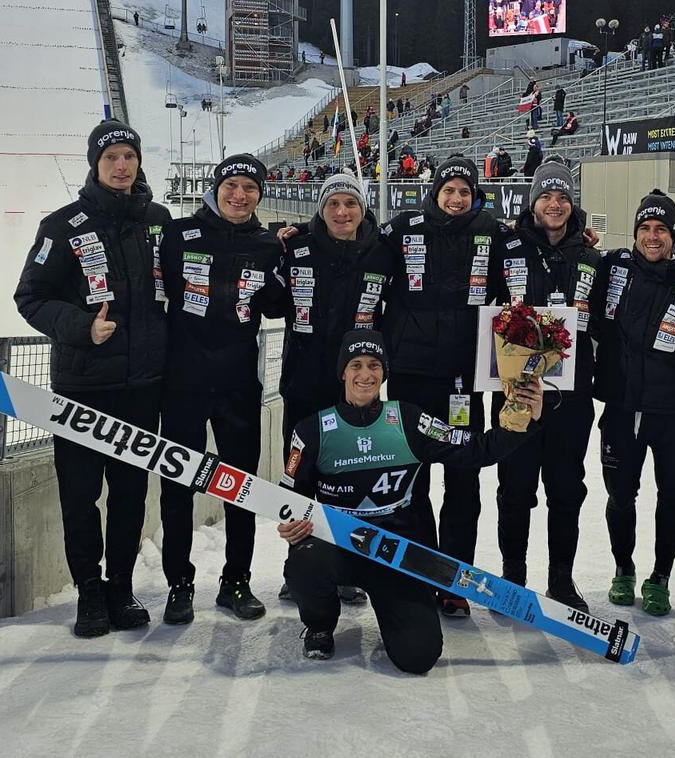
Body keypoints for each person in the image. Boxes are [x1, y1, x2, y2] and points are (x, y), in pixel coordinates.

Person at [280, 332, 544, 669]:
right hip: (339, 547)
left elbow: (474, 449)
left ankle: (396, 611)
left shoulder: (407, 420)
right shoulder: (313, 429)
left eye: (374, 366)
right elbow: (290, 494)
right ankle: (319, 624)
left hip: (397, 554)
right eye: (356, 365)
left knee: (419, 656)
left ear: (384, 372)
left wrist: (526, 419)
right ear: (343, 373)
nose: (365, 374)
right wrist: (290, 522)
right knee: (303, 562)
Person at [14, 120, 169, 638]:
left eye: (129, 156)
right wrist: (82, 327)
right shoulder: (63, 226)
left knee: (130, 494)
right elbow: (30, 298)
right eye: (111, 158)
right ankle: (89, 591)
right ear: (95, 164)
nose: (122, 166)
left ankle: (120, 587)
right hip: (83, 389)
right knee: (80, 497)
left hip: (141, 388)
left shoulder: (158, 220)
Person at [371, 156, 510, 617]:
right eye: (449, 190)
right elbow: (354, 246)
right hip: (410, 378)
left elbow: (533, 250)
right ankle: (417, 573)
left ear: (475, 196)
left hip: (463, 382)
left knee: (463, 480)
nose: (456, 199)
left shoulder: (492, 233)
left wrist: (583, 233)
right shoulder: (402, 229)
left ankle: (455, 580)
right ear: (435, 193)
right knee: (412, 480)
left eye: (464, 192)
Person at [157, 155, 285, 625]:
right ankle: (178, 584)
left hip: (237, 387)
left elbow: (276, 306)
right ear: (216, 188)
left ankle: (237, 581)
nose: (240, 195)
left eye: (249, 188)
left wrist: (286, 252)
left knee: (241, 489)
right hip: (184, 384)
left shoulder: (268, 245)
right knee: (178, 488)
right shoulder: (179, 233)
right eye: (232, 185)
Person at [488, 160, 601, 609]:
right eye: (546, 196)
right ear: (533, 202)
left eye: (563, 197)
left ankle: (561, 579)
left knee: (566, 489)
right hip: (518, 392)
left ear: (572, 205)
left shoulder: (592, 256)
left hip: (570, 397)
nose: (555, 205)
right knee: (514, 489)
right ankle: (512, 577)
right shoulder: (507, 246)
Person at [591, 190, 675, 616]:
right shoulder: (614, 266)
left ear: (674, 234)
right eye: (645, 228)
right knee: (620, 494)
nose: (652, 236)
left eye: (661, 229)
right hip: (621, 407)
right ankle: (623, 568)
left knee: (671, 493)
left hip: (671, 412)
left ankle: (660, 575)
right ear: (636, 232)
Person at [274, 172, 386, 605]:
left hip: (355, 391)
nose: (342, 212)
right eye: (333, 204)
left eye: (351, 204)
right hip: (302, 384)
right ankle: (298, 566)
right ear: (321, 209)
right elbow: (269, 300)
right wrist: (274, 246)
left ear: (363, 209)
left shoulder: (382, 252)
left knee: (350, 478)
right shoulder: (296, 248)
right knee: (300, 476)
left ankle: (346, 566)